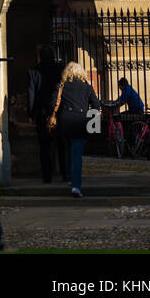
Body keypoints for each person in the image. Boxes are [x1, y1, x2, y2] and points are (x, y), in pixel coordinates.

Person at [48, 61, 101, 198]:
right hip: (81, 121)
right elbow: (96, 105)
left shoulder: (61, 86)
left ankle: (70, 178)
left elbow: (52, 104)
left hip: (65, 121)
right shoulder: (87, 87)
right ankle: (76, 186)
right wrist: (92, 123)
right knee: (77, 154)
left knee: (67, 151)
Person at [27, 45, 66, 184]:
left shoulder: (33, 71)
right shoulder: (60, 68)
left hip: (42, 112)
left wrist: (30, 113)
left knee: (44, 147)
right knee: (62, 145)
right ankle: (65, 174)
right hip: (59, 111)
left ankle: (47, 176)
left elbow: (31, 93)